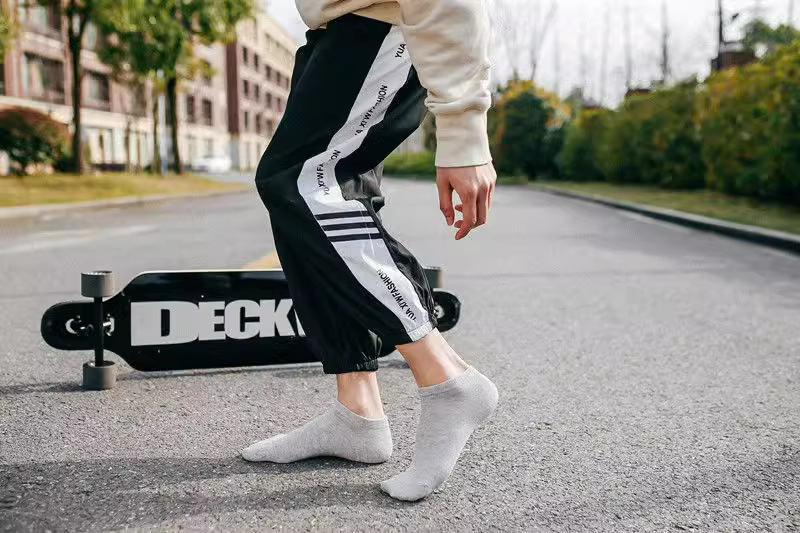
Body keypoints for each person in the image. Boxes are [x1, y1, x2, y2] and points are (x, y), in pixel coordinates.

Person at [243, 0, 499, 502]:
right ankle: (356, 411)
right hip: (339, 33)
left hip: (382, 28)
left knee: (300, 185)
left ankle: (447, 378)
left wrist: (464, 131)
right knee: (321, 195)